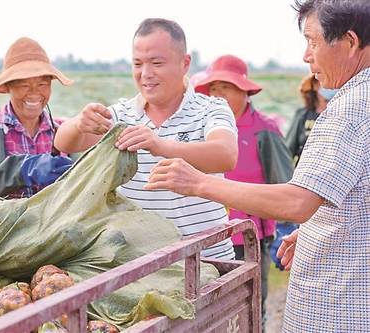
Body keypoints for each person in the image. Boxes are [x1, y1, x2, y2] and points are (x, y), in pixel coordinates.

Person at [145, 0, 370, 332]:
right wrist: (316, 231)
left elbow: (297, 201)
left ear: (350, 42)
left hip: (339, 309)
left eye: (312, 40)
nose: (306, 55)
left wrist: (198, 183)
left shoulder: (348, 110)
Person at [54, 18, 239, 260]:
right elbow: (64, 143)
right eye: (137, 64)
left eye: (157, 63)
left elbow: (226, 155)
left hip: (209, 259)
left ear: (185, 64)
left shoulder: (211, 108)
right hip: (142, 265)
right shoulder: (122, 114)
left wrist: (161, 146)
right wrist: (79, 124)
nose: (146, 74)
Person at [193, 54, 294, 332]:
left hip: (250, 236)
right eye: (213, 88)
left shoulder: (265, 130)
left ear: (244, 91)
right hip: (210, 235)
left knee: (249, 306)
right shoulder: (204, 128)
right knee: (212, 309)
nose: (218, 94)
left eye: (225, 87)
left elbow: (286, 184)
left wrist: (285, 230)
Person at [0, 37, 74, 201]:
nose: (34, 93)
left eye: (42, 84)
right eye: (24, 85)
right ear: (7, 87)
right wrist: (25, 169)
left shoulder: (63, 129)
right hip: (6, 224)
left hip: (55, 223)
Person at [285, 73, 338, 167]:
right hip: (303, 171)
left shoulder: (340, 115)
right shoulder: (302, 114)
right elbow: (289, 148)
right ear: (315, 85)